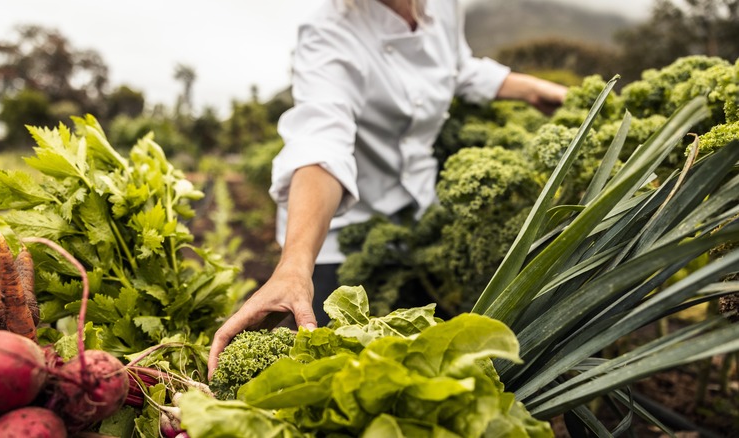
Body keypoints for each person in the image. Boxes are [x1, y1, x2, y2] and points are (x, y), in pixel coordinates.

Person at [208, 0, 567, 374]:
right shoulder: (329, 33)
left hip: (418, 214)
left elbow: (456, 66)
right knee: (338, 374)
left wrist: (530, 89)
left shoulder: (444, 6)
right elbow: (321, 143)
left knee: (436, 367)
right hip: (336, 226)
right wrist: (295, 266)